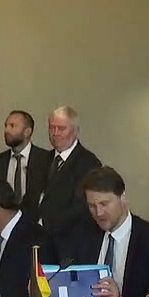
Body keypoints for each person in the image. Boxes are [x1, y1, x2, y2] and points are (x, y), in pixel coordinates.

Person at [66, 166, 149, 297]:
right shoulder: (84, 237)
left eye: (104, 204)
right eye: (92, 206)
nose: (98, 213)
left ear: (122, 197)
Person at [38, 106, 102, 255]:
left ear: (75, 131)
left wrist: (45, 223)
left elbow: (82, 206)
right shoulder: (42, 160)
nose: (55, 133)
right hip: (41, 243)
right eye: (51, 128)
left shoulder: (88, 162)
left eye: (61, 128)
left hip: (72, 246)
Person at [0, 110, 50, 220]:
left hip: (36, 222)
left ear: (27, 132)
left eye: (12, 126)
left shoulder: (45, 159)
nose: (6, 130)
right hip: (7, 221)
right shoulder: (0, 160)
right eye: (6, 126)